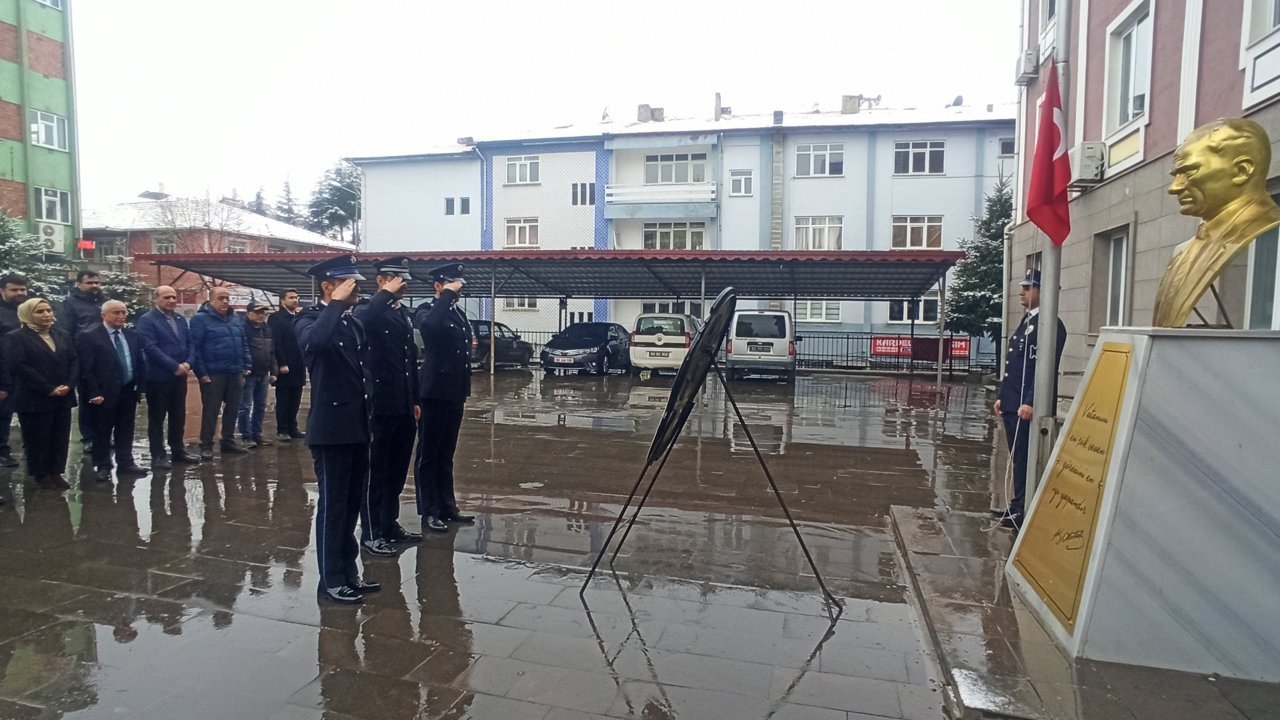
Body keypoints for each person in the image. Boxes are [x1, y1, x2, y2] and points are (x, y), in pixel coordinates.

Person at [295, 255, 379, 604]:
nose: (355, 289)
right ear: (328, 286)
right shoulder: (308, 320)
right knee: (332, 507)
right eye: (348, 284)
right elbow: (315, 344)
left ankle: (349, 574)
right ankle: (331, 580)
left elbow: (363, 372)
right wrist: (334, 305)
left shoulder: (351, 322)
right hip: (330, 430)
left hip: (357, 425)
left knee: (350, 506)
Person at [1154, 118, 1280, 327]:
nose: (1174, 188)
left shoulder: (1270, 231)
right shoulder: (1182, 251)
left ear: (1242, 171)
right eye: (1176, 175)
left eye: (1189, 172)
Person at [354, 257, 422, 556]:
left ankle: (388, 523)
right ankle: (371, 533)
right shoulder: (368, 308)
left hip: (402, 403)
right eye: (396, 279)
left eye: (405, 279)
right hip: (379, 405)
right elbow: (363, 321)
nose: (403, 284)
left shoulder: (401, 313)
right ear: (381, 280)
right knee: (375, 472)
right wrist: (383, 295)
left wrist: (415, 399)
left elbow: (409, 361)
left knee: (396, 471)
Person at [992, 268, 1067, 530]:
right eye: (1023, 287)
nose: (1021, 292)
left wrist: (1032, 400)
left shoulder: (1050, 325)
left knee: (1026, 457)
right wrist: (1002, 395)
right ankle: (1017, 504)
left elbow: (1044, 367)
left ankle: (1024, 508)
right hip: (1013, 402)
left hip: (1026, 404)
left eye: (1028, 287)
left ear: (1044, 291)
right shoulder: (1028, 321)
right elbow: (1014, 364)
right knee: (1018, 457)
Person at [414, 263, 476, 534]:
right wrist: (447, 296)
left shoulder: (457, 314)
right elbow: (430, 327)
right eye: (451, 285)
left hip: (454, 391)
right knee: (429, 453)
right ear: (438, 286)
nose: (457, 290)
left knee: (446, 452)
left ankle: (447, 506)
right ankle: (429, 510)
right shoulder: (428, 311)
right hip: (433, 392)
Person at [1, 298, 76, 490]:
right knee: (38, 437)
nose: (46, 315)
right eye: (39, 311)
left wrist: (69, 384)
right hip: (34, 396)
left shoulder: (61, 334)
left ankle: (56, 471)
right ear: (27, 314)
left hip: (63, 395)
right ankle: (41, 474)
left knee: (60, 436)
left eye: (48, 310)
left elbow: (74, 360)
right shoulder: (16, 337)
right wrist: (48, 388)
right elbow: (20, 366)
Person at [76, 300, 149, 482]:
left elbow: (138, 362)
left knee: (126, 428)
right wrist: (93, 392)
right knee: (102, 430)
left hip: (128, 390)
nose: (121, 316)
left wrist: (140, 386)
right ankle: (103, 465)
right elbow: (86, 369)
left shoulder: (132, 336)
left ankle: (126, 463)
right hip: (103, 393)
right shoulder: (89, 336)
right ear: (103, 315)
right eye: (116, 313)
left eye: (124, 312)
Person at [136, 286, 201, 470]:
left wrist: (188, 363)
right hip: (159, 377)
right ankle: (158, 455)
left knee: (178, 415)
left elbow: (190, 343)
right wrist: (174, 366)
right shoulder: (147, 320)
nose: (171, 300)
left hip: (180, 376)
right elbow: (150, 347)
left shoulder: (180, 319)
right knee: (157, 417)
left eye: (173, 297)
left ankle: (178, 450)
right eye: (167, 297)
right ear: (155, 299)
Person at [190, 286, 251, 460]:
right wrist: (202, 373)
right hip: (213, 373)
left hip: (235, 371)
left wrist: (246, 365)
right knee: (211, 410)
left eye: (227, 298)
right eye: (220, 298)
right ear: (211, 300)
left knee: (233, 408)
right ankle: (206, 444)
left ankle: (228, 441)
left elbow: (243, 342)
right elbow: (195, 348)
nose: (225, 301)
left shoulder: (235, 319)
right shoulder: (200, 320)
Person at [57, 271, 104, 452]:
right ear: (78, 284)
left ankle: (104, 435)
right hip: (83, 356)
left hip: (104, 355)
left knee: (105, 396)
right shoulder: (70, 304)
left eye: (97, 282)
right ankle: (89, 437)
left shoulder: (103, 302)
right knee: (88, 397)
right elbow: (65, 331)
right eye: (90, 283)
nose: (94, 286)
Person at [237, 300, 277, 448]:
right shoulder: (243, 329)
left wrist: (274, 371)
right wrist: (244, 368)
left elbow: (272, 352)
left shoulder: (267, 329)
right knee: (245, 406)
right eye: (258, 312)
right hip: (249, 374)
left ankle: (257, 434)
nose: (261, 315)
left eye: (263, 313)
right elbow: (241, 350)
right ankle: (246, 436)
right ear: (249, 313)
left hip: (264, 373)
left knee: (260, 406)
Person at [269, 288, 306, 441]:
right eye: (291, 297)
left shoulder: (297, 317)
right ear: (282, 300)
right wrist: (282, 363)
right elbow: (277, 342)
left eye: (296, 297)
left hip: (299, 364)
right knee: (284, 398)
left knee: (296, 398)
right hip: (285, 366)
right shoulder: (276, 318)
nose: (295, 300)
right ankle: (282, 429)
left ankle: (293, 427)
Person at [0, 273, 28, 469]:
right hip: (5, 373)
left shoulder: (30, 311)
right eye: (14, 289)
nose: (19, 293)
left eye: (22, 289)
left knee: (31, 413)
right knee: (3, 415)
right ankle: (2, 451)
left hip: (29, 373)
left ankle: (31, 448)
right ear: (2, 291)